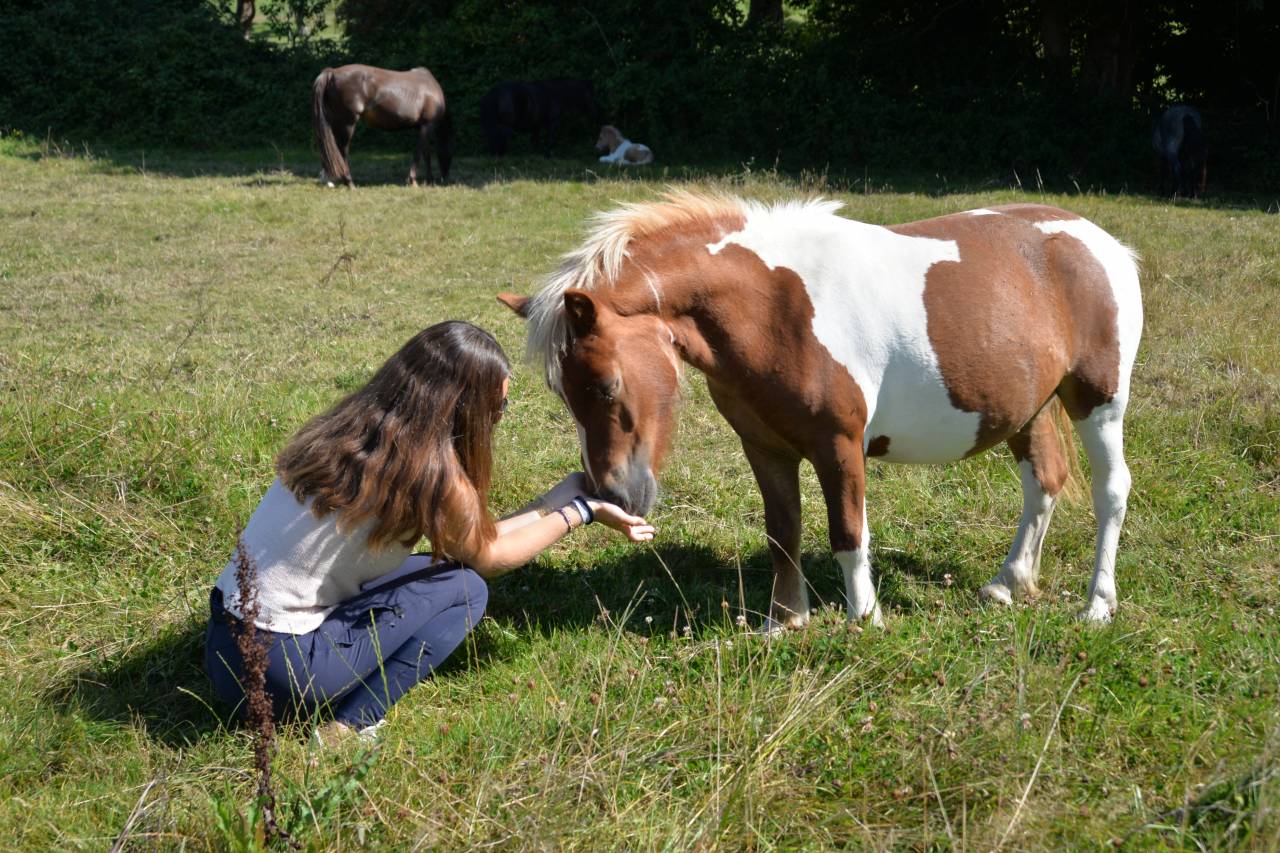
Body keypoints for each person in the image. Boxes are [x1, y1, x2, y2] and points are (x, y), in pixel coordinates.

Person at [204, 321, 655, 743]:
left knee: (437, 568)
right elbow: (490, 559)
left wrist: (552, 502)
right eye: (498, 407)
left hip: (223, 653)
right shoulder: (431, 474)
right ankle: (348, 727)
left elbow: (477, 540)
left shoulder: (344, 433)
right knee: (465, 588)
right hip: (285, 678)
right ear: (463, 405)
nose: (499, 417)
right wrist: (580, 513)